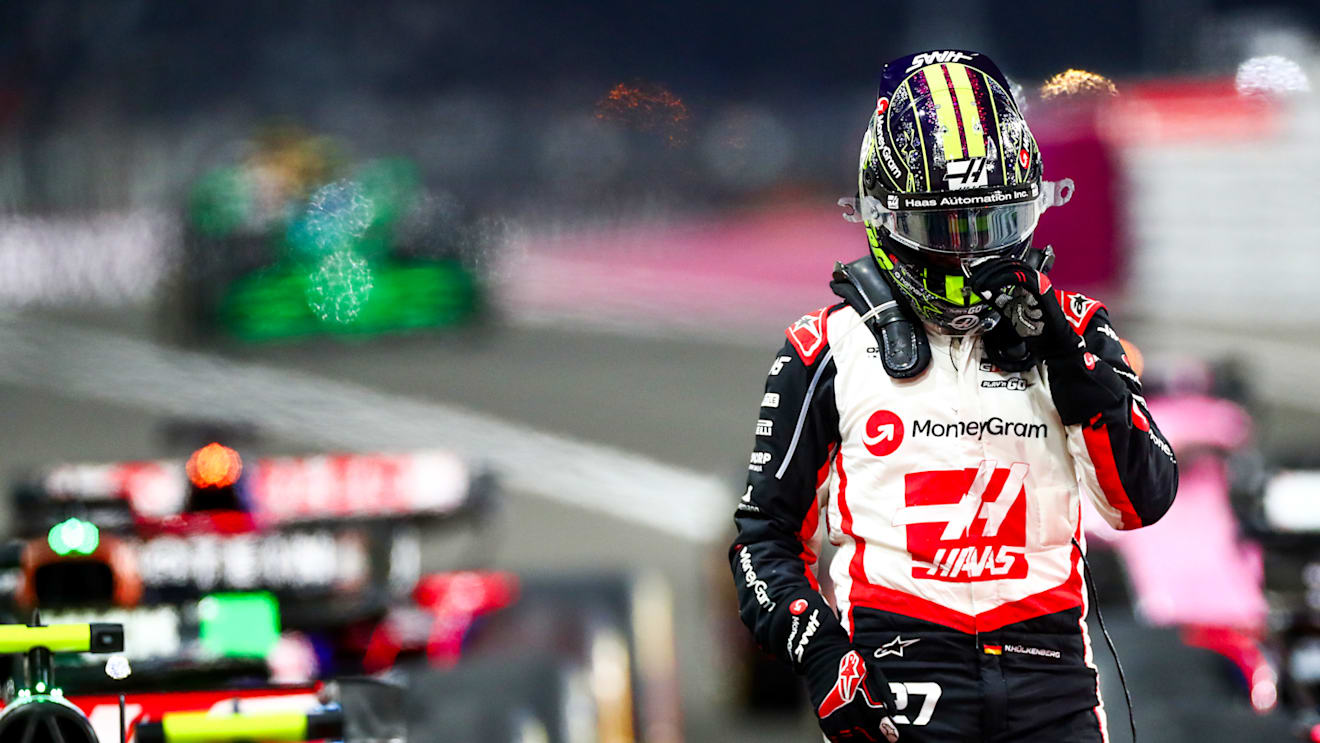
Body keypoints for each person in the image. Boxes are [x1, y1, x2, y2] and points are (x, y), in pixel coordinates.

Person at [730, 49, 1178, 743]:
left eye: (991, 227)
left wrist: (1069, 359)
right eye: (947, 232)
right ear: (886, 216)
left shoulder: (1079, 329)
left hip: (1050, 677)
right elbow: (763, 540)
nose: (971, 259)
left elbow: (1141, 500)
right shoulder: (824, 348)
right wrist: (824, 659)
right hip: (899, 676)